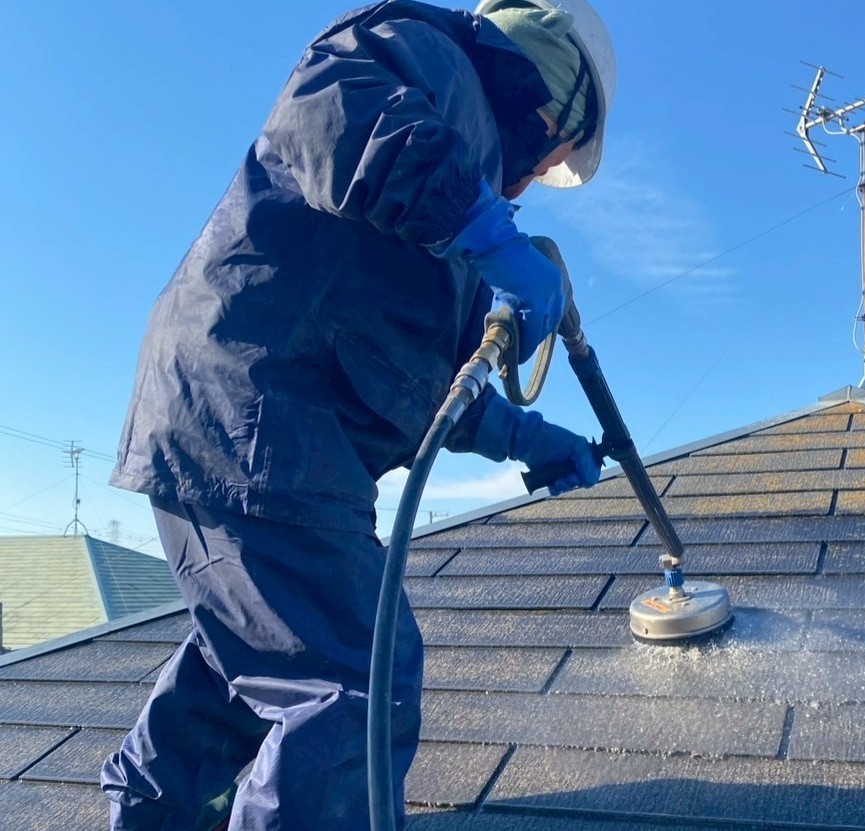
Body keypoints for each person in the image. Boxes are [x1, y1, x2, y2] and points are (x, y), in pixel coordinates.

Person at [99, 1, 616, 828]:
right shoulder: (434, 66)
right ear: (555, 103)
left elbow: (423, 379)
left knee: (253, 658)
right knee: (357, 681)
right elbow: (329, 110)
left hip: (234, 415)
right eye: (558, 152)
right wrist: (485, 228)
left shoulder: (457, 191)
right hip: (259, 416)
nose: (539, 176)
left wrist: (524, 435)